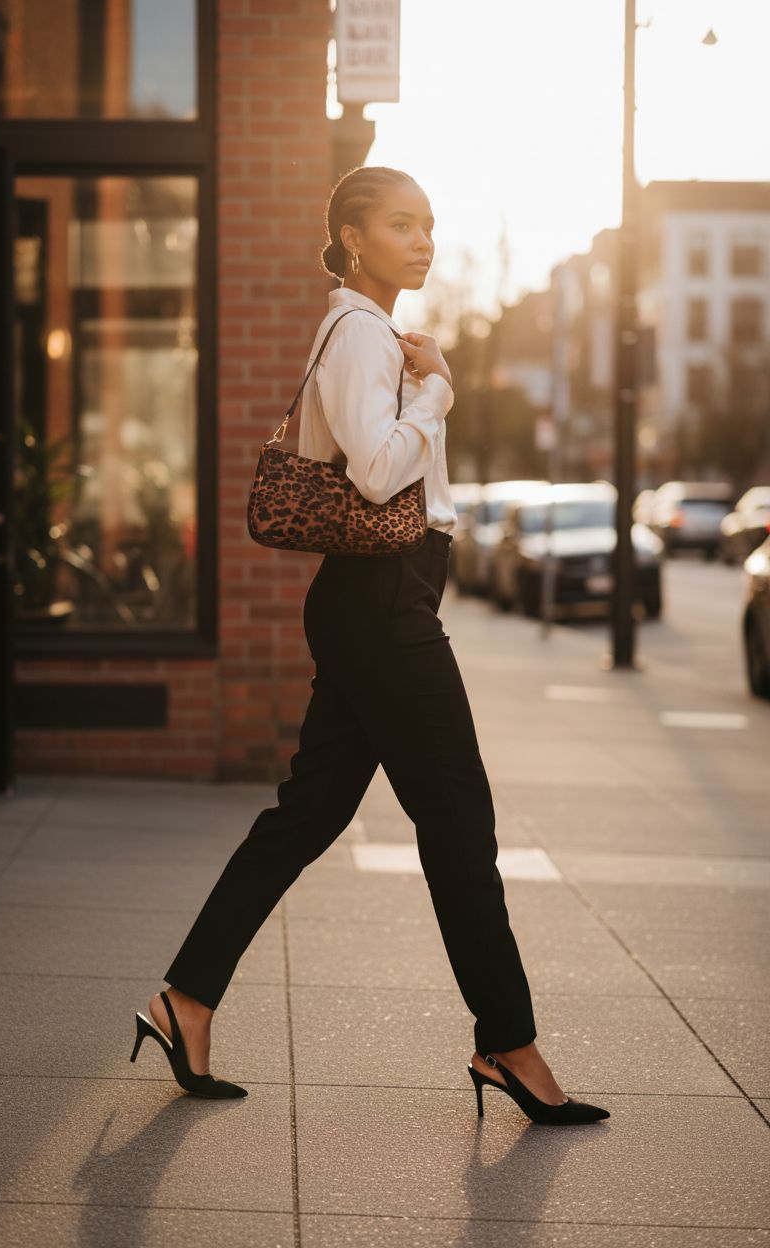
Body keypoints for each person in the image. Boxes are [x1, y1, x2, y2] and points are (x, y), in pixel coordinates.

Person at [130, 166, 610, 1126]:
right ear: (352, 237)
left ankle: (184, 999)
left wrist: (424, 381)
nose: (422, 241)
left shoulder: (381, 335)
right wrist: (437, 396)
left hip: (379, 603)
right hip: (382, 607)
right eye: (400, 224)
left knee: (307, 817)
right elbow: (380, 470)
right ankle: (507, 1042)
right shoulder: (357, 332)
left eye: (429, 224)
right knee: (460, 821)